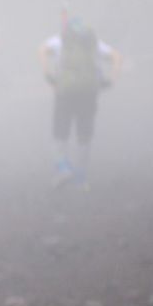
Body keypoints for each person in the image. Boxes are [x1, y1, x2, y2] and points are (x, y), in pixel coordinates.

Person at [39, 17, 120, 186]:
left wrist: (48, 76)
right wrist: (111, 79)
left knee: (60, 131)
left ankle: (62, 167)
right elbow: (116, 56)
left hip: (65, 91)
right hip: (88, 92)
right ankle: (81, 174)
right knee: (84, 133)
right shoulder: (93, 43)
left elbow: (42, 50)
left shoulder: (60, 40)